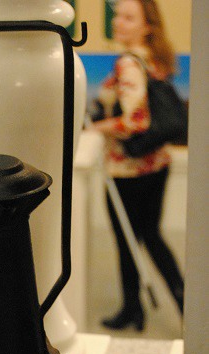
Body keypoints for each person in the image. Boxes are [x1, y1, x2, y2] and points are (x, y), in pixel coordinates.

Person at [90, 0, 184, 331]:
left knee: (128, 239)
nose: (118, 22)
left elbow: (135, 121)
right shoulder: (153, 59)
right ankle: (157, 305)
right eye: (118, 15)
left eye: (129, 18)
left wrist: (95, 127)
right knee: (150, 235)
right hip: (156, 164)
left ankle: (137, 308)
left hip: (128, 170)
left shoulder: (129, 63)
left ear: (147, 26)